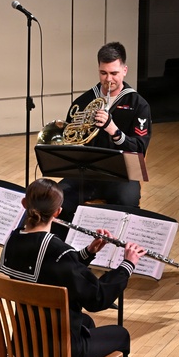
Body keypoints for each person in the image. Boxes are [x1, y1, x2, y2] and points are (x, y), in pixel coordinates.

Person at [0, 178, 146, 357]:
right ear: (58, 212)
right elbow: (97, 298)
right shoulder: (58, 250)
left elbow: (53, 270)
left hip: (24, 347)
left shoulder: (13, 242)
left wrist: (88, 252)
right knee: (119, 334)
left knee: (85, 323)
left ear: (25, 204)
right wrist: (127, 266)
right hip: (58, 355)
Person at [54, 42, 151, 237]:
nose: (109, 80)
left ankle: (120, 257)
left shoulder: (138, 105)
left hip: (122, 175)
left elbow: (139, 148)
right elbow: (69, 140)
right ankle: (62, 252)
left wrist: (114, 130)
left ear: (124, 70)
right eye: (103, 73)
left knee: (128, 205)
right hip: (86, 174)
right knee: (55, 200)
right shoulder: (83, 102)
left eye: (114, 73)